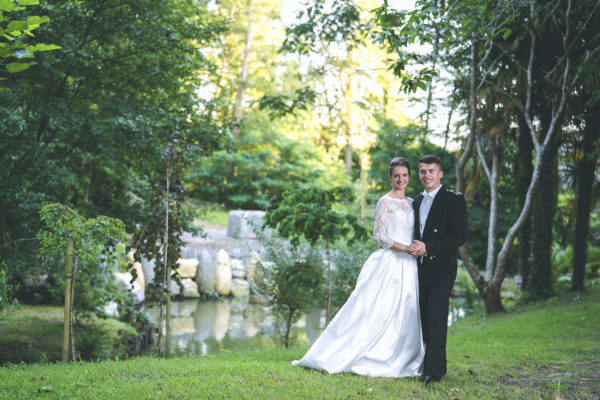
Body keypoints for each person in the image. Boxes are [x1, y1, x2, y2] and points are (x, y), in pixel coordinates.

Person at [292, 157, 425, 378]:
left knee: (406, 309)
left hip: (410, 266)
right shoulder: (385, 201)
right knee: (375, 310)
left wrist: (417, 249)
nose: (401, 179)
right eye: (396, 175)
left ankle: (401, 355)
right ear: (390, 177)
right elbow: (380, 236)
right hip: (391, 262)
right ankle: (364, 352)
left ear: (409, 177)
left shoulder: (413, 202)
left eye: (404, 175)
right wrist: (405, 248)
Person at [410, 155, 468, 385]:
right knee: (424, 317)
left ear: (440, 173)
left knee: (436, 316)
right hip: (419, 268)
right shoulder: (415, 201)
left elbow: (459, 235)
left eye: (431, 171)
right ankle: (439, 365)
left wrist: (429, 247)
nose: (427, 175)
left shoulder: (453, 199)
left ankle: (432, 373)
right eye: (423, 171)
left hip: (442, 267)